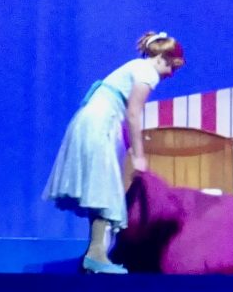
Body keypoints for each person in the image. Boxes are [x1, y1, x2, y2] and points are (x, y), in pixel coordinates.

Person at [43, 32, 187, 272]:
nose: (171, 73)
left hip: (92, 121)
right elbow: (133, 114)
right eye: (172, 66)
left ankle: (94, 253)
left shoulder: (135, 66)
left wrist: (129, 145)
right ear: (162, 57)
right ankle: (96, 255)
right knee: (103, 189)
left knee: (99, 189)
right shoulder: (147, 72)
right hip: (101, 123)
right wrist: (139, 155)